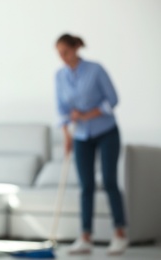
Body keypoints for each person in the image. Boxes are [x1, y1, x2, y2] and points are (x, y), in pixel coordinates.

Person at [54, 33, 128, 255]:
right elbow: (61, 110)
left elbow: (113, 100)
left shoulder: (95, 69)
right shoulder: (59, 76)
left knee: (109, 180)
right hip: (80, 136)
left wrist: (88, 114)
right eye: (59, 54)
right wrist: (67, 137)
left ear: (76, 48)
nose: (62, 57)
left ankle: (120, 234)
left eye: (65, 52)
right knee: (86, 186)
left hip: (106, 131)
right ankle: (85, 237)